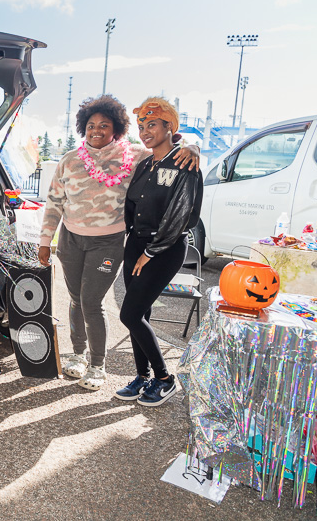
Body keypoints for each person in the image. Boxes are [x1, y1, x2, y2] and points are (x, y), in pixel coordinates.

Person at [38, 95, 198, 391]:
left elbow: (167, 146)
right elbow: (53, 202)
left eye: (104, 125)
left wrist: (190, 145)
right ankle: (79, 355)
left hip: (108, 242)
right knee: (75, 300)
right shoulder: (69, 160)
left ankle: (98, 365)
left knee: (91, 301)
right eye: (90, 125)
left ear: (117, 130)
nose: (96, 130)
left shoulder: (135, 155)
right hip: (71, 240)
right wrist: (46, 239)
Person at [115, 97, 203, 406]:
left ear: (170, 127)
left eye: (152, 124)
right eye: (141, 126)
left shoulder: (185, 163)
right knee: (142, 313)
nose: (145, 131)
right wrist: (131, 244)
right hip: (136, 244)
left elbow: (180, 216)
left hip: (163, 248)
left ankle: (165, 379)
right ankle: (143, 377)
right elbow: (132, 206)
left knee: (129, 314)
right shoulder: (145, 164)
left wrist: (150, 252)